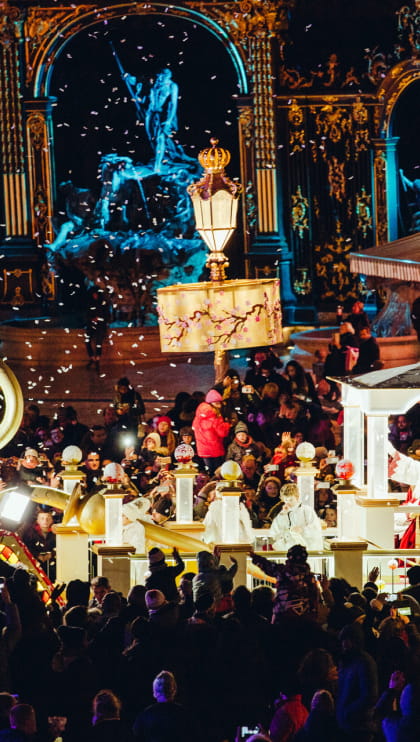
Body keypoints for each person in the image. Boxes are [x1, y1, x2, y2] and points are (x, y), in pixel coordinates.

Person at [250, 544, 319, 622]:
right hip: (304, 616)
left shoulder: (281, 571)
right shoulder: (310, 577)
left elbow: (268, 566)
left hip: (282, 614)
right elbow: (314, 597)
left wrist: (254, 557)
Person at [132, 670, 195, 742]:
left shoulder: (145, 715)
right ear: (174, 690)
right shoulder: (185, 714)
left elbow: (135, 737)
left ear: (155, 693)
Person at [270, 483, 323, 552]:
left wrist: (302, 530)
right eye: (286, 500)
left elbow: (316, 528)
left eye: (291, 500)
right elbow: (275, 532)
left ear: (297, 497)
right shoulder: (282, 513)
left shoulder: (306, 510)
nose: (288, 502)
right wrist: (283, 515)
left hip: (306, 549)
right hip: (288, 550)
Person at [192, 389, 231, 476]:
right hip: (215, 449)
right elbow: (222, 433)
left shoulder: (198, 416)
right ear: (211, 403)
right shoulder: (215, 416)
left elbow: (194, 428)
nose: (219, 406)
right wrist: (227, 425)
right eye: (217, 403)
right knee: (217, 473)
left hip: (203, 450)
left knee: (209, 472)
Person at [84, 286, 109, 374]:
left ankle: (97, 360)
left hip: (100, 326)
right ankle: (92, 358)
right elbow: (87, 314)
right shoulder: (89, 303)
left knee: (98, 344)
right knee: (87, 342)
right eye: (93, 294)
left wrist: (99, 319)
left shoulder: (103, 302)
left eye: (96, 294)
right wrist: (92, 319)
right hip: (91, 325)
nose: (94, 295)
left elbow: (106, 315)